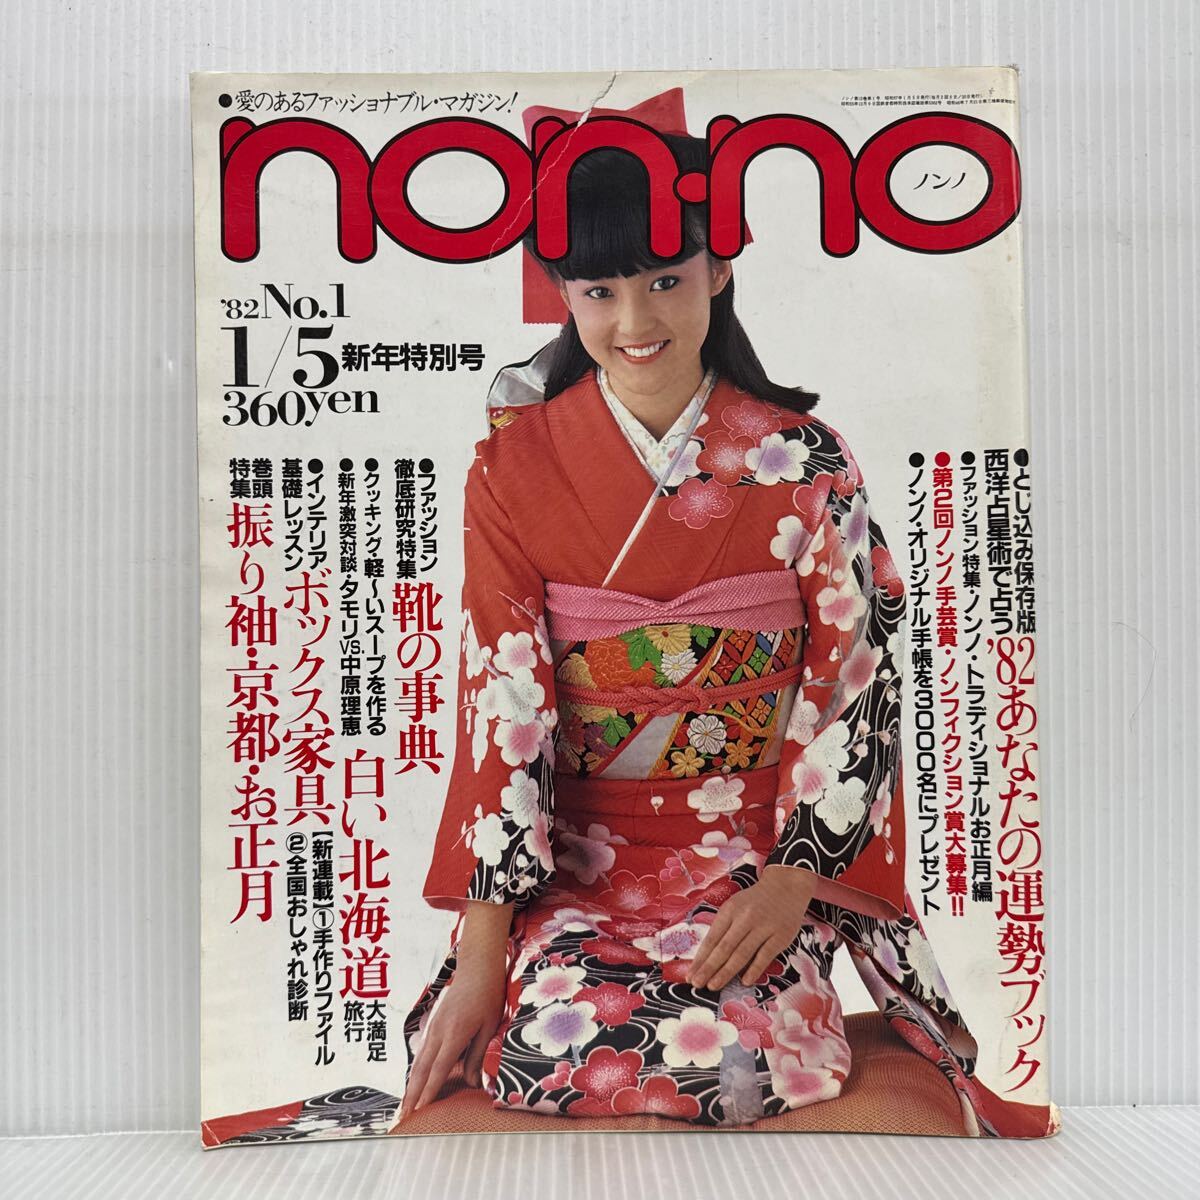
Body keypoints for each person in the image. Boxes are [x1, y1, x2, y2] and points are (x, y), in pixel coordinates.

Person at [398, 102, 1054, 1137]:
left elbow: (855, 676)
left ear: (719, 269)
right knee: (542, 1049)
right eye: (600, 290)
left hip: (752, 859)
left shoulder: (804, 460)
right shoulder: (511, 469)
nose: (635, 319)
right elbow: (505, 702)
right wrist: (484, 948)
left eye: (666, 279)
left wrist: (795, 878)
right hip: (580, 869)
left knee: (740, 1052)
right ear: (563, 293)